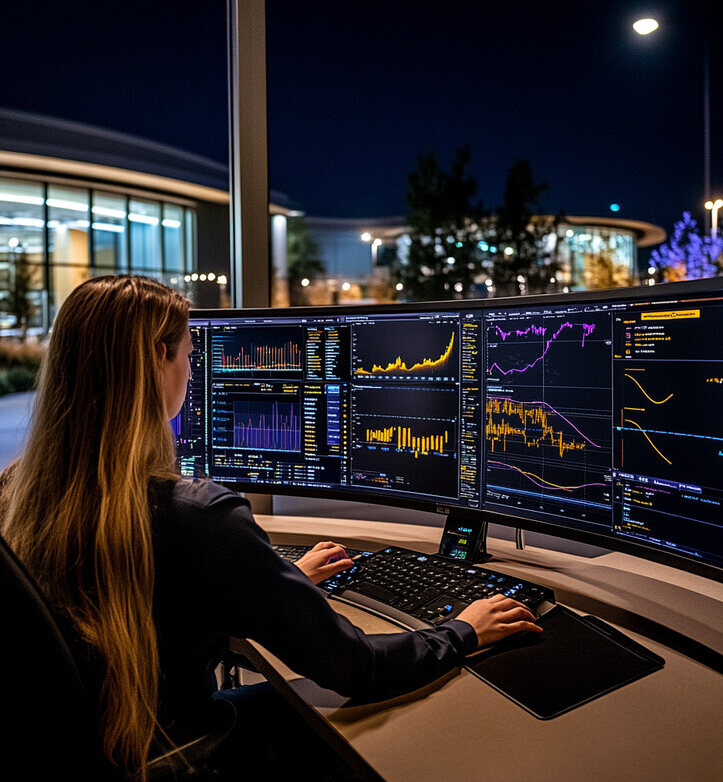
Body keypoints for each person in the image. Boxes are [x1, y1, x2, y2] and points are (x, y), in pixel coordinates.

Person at [0, 275, 541, 780]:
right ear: (160, 358)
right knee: (365, 718)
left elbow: (146, 601)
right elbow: (353, 667)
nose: (193, 368)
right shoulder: (198, 516)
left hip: (119, 743)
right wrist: (463, 630)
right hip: (180, 752)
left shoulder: (21, 492)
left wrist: (272, 581)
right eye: (190, 353)